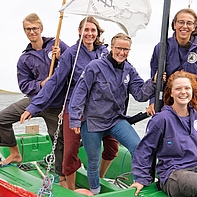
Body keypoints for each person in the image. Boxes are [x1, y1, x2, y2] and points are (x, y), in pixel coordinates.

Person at [20, 16, 119, 190]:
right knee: (70, 150)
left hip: (101, 109)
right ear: (79, 32)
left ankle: (100, 178)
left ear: (97, 33)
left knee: (112, 145)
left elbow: (118, 77)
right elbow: (55, 81)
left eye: (92, 30)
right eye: (85, 30)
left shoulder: (105, 53)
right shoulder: (71, 54)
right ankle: (71, 190)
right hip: (76, 108)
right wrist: (34, 107)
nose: (89, 33)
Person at [68, 33, 159, 195]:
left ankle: (140, 183)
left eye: (126, 49)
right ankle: (95, 191)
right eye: (119, 48)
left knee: (138, 147)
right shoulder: (95, 66)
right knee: (94, 161)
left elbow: (139, 94)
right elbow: (80, 93)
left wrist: (153, 82)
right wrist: (75, 119)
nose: (122, 52)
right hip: (92, 122)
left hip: (116, 120)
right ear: (111, 48)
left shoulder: (129, 69)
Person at [0, 13, 69, 186]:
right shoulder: (24, 58)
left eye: (35, 28)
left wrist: (61, 57)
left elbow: (75, 66)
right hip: (36, 102)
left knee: (59, 140)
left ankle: (61, 174)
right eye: (28, 29)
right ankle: (15, 153)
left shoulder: (57, 44)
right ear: (25, 31)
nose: (32, 31)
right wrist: (41, 84)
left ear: (41, 29)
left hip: (57, 103)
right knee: (1, 119)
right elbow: (25, 85)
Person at [147, 8, 197, 159]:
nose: (184, 26)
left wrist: (196, 103)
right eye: (181, 22)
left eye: (189, 23)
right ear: (174, 24)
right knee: (155, 130)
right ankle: (150, 171)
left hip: (194, 101)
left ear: (194, 27)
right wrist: (153, 102)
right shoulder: (162, 48)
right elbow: (154, 77)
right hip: (169, 102)